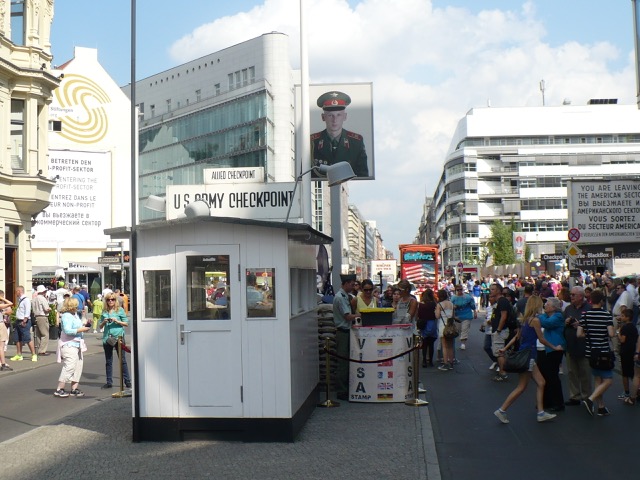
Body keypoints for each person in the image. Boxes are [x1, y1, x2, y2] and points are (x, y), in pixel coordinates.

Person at [493, 295, 563, 424]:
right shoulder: (535, 320)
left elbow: (516, 337)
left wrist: (505, 348)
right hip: (529, 355)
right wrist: (555, 347)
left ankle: (541, 412)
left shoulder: (525, 320)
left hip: (526, 353)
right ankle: (502, 410)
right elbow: (541, 339)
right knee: (522, 387)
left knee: (541, 382)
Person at [310, 91, 368, 177]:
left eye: (338, 115)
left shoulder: (356, 142)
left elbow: (363, 176)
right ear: (323, 117)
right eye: (330, 115)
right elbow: (304, 175)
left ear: (345, 116)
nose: (335, 120)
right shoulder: (312, 142)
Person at [577, 289, 615, 417]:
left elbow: (579, 334)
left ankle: (601, 407)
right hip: (603, 351)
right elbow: (611, 333)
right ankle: (590, 399)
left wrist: (590, 333)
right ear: (602, 301)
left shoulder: (585, 315)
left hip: (590, 351)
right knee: (608, 380)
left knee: (598, 379)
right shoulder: (606, 315)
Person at [54, 297, 90, 397]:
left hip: (77, 344)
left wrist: (85, 324)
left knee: (78, 366)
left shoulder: (75, 315)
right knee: (69, 366)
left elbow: (78, 325)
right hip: (69, 344)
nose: (78, 306)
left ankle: (74, 388)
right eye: (76, 304)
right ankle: (60, 388)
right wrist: (81, 329)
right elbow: (67, 330)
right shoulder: (66, 316)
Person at [537, 297, 567, 412]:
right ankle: (548, 401)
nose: (545, 306)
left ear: (554, 307)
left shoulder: (558, 316)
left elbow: (547, 323)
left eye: (547, 304)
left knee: (553, 376)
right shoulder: (551, 316)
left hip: (556, 348)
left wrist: (540, 316)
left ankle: (558, 402)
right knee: (548, 375)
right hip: (549, 348)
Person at [563, 286, 592, 406]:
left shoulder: (589, 308)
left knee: (585, 373)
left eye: (574, 295)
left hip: (584, 346)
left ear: (581, 296)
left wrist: (580, 325)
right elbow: (563, 322)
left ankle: (587, 397)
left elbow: (593, 326)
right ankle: (575, 396)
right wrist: (566, 322)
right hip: (570, 345)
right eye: (571, 294)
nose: (571, 297)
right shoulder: (569, 308)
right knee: (572, 372)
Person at [332, 274, 359, 401]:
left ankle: (346, 388)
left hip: (347, 331)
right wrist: (360, 315)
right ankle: (341, 390)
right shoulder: (340, 298)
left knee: (347, 360)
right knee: (343, 362)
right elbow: (347, 316)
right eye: (352, 284)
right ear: (346, 283)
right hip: (343, 332)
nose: (353, 287)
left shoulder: (347, 297)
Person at [99, 293, 132, 389]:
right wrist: (104, 322)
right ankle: (109, 381)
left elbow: (126, 323)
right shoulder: (104, 311)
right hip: (107, 338)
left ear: (115, 300)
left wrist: (117, 321)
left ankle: (127, 381)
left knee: (122, 360)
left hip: (118, 337)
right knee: (108, 361)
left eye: (112, 299)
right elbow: (100, 326)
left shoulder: (120, 310)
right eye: (108, 300)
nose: (110, 301)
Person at [488, 283, 512, 381]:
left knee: (500, 352)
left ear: (498, 290)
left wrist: (498, 329)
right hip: (498, 330)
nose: (491, 291)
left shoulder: (502, 301)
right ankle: (502, 371)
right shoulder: (499, 302)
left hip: (500, 331)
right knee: (499, 352)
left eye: (493, 289)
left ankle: (503, 373)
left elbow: (504, 316)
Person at [11, 286, 37, 362]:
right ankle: (19, 354)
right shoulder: (20, 299)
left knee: (27, 338)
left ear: (19, 291)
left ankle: (33, 354)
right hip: (18, 320)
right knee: (17, 338)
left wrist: (24, 321)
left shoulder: (26, 300)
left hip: (24, 321)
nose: (15, 293)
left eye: (16, 291)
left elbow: (27, 311)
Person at [617, 308, 638, 401]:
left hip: (625, 351)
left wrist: (618, 332)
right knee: (633, 373)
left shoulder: (625, 328)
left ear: (627, 317)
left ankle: (626, 392)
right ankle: (636, 390)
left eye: (622, 316)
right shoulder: (634, 327)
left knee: (625, 373)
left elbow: (622, 340)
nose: (621, 317)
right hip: (632, 351)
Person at [450, 283, 477, 350]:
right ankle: (460, 341)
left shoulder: (468, 297)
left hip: (467, 315)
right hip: (457, 316)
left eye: (461, 289)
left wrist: (475, 312)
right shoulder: (453, 298)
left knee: (464, 329)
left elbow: (472, 305)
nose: (459, 291)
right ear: (455, 290)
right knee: (457, 330)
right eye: (458, 290)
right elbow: (450, 307)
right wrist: (453, 308)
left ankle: (463, 343)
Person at [435, 289, 455, 371]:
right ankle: (451, 363)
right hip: (450, 326)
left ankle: (445, 363)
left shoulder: (439, 305)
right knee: (450, 346)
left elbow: (437, 316)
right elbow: (453, 315)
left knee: (444, 346)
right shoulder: (451, 304)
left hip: (443, 326)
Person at [418, 289, 438, 367]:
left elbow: (419, 315)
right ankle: (430, 361)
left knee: (424, 344)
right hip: (432, 324)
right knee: (431, 344)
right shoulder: (434, 304)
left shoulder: (421, 304)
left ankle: (424, 360)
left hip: (424, 324)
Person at [32, 285, 52, 356]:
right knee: (45, 334)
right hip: (43, 316)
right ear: (43, 291)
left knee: (38, 334)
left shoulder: (34, 299)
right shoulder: (42, 298)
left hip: (36, 316)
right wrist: (50, 309)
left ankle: (37, 349)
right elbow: (46, 309)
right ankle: (42, 350)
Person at [0, 290, 13, 371]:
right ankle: (3, 364)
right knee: (1, 346)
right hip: (0, 324)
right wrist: (2, 298)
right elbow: (11, 303)